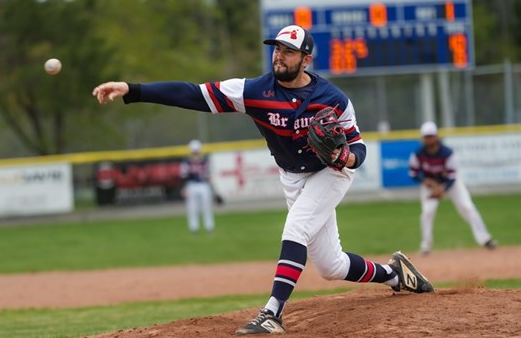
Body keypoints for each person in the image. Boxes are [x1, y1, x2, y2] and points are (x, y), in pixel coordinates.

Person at [93, 24, 434, 335]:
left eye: (288, 50)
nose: (279, 55)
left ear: (306, 59)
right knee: (331, 265)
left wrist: (345, 157)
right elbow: (192, 94)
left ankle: (272, 313)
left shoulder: (333, 99)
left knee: (295, 229)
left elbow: (357, 146)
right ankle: (395, 273)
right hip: (292, 177)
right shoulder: (254, 91)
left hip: (330, 172)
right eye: (276, 48)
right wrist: (131, 90)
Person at [409, 121, 497, 255]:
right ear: (422, 138)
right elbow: (413, 174)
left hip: (451, 184)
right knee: (427, 212)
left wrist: (442, 189)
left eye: (431, 136)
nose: (429, 139)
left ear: (437, 136)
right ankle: (426, 246)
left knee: (468, 208)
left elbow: (452, 176)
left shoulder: (447, 153)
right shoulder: (418, 154)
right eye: (426, 136)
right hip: (431, 185)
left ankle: (485, 239)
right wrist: (427, 181)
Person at [181, 139, 215, 234]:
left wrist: (214, 189)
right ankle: (193, 228)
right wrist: (184, 188)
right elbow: (184, 175)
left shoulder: (205, 160)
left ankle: (209, 227)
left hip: (203, 184)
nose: (195, 153)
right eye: (194, 151)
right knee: (192, 208)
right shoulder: (186, 161)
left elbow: (208, 175)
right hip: (192, 185)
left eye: (197, 151)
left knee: (206, 207)